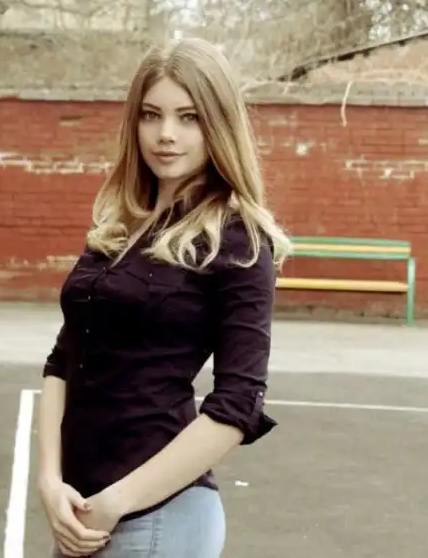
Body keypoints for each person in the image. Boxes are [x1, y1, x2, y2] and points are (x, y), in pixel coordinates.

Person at [37, 37, 290, 557]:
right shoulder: (120, 226)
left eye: (188, 117)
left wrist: (117, 501)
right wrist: (49, 480)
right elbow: (63, 359)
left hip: (155, 521)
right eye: (151, 115)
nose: (166, 134)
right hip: (79, 509)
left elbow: (238, 404)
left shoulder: (238, 240)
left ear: (218, 125)